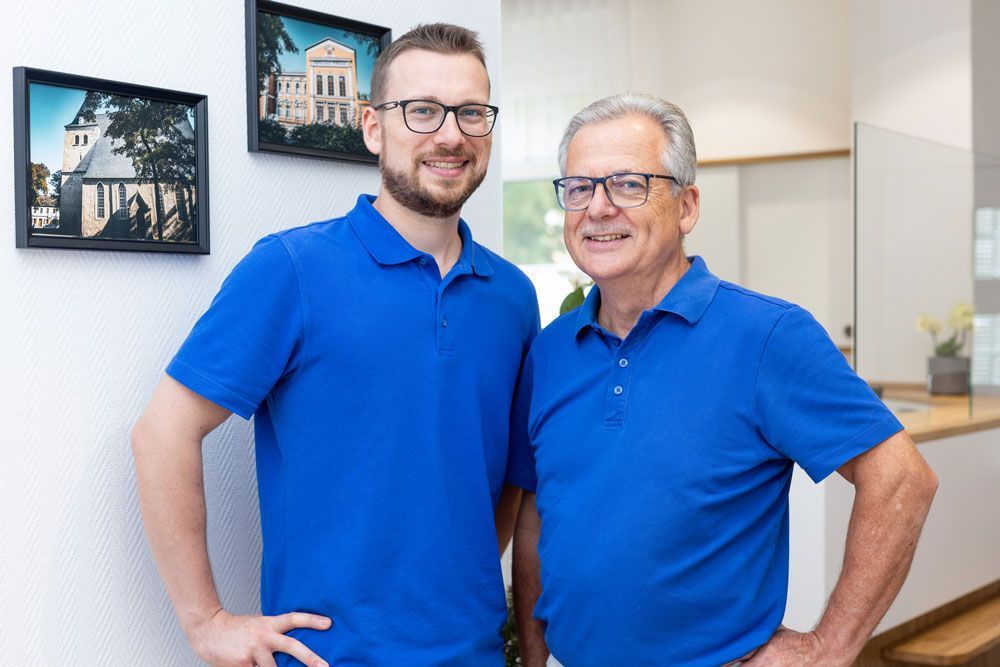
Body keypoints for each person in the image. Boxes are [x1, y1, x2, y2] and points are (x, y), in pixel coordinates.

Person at [131, 23, 538, 667]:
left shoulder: (513, 297)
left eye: (470, 112)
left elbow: (507, 473)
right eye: (422, 110)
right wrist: (205, 622)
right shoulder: (291, 269)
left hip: (474, 653)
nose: (450, 135)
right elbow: (161, 433)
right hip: (327, 655)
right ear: (373, 127)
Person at [509, 93, 938, 667]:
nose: (598, 208)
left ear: (686, 207)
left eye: (629, 185)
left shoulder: (768, 335)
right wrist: (534, 657)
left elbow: (902, 479)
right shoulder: (551, 350)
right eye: (579, 188)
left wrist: (828, 648)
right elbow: (537, 516)